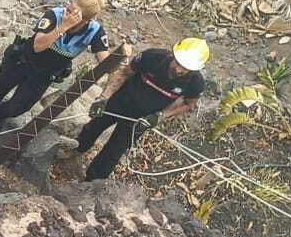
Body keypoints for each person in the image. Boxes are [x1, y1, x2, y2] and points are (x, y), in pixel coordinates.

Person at [0, 0, 111, 132]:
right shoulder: (54, 15)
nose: (66, 11)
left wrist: (121, 57)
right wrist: (63, 27)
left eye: (72, 12)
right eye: (68, 7)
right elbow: (38, 46)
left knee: (19, 107)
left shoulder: (94, 31)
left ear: (85, 20)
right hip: (23, 61)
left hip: (44, 75)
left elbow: (107, 62)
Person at [77, 37, 211, 181]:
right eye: (177, 63)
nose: (178, 69)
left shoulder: (195, 83)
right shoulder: (152, 57)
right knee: (94, 126)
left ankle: (91, 181)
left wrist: (160, 116)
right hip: (120, 101)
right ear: (173, 54)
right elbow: (123, 73)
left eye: (185, 68)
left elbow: (189, 104)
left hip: (142, 120)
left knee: (114, 150)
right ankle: (77, 149)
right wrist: (104, 97)